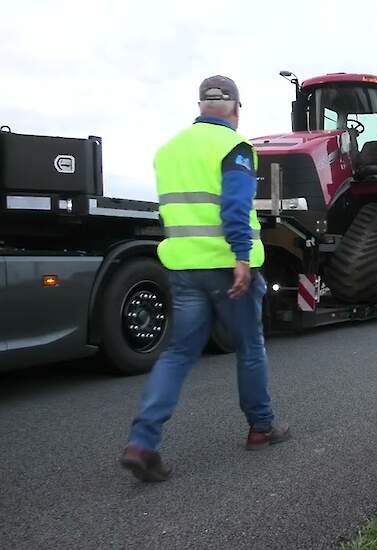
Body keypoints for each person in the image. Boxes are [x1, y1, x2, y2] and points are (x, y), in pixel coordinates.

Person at [120, 76, 289, 482]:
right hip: (228, 268)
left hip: (183, 268)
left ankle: (143, 442)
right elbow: (233, 207)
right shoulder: (235, 147)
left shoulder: (168, 151)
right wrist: (242, 259)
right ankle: (260, 428)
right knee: (250, 348)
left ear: (200, 106)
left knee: (178, 355)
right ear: (235, 109)